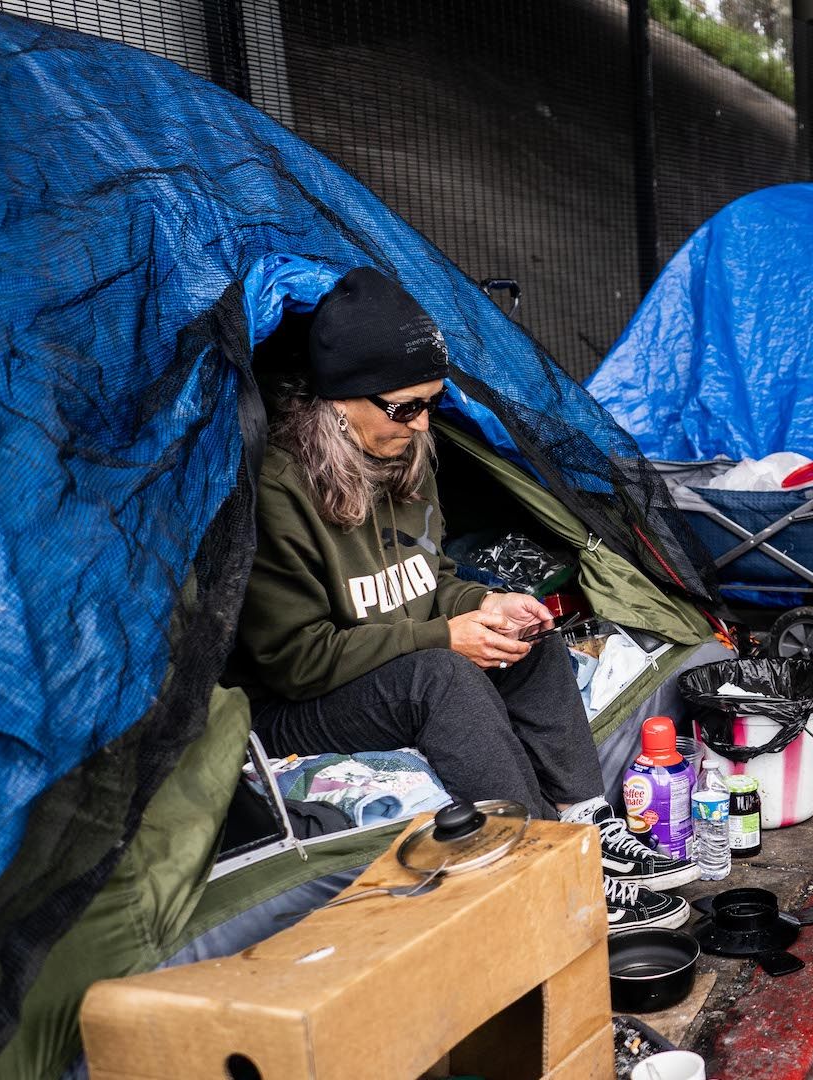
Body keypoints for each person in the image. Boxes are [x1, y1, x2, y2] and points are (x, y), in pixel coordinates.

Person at [233, 267, 691, 931]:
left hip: (383, 667)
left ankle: (586, 828)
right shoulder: (279, 489)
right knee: (442, 679)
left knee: (526, 643)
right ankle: (548, 873)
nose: (423, 424)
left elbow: (430, 580)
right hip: (296, 706)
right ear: (341, 401)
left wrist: (484, 602)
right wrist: (445, 636)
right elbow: (295, 661)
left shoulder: (404, 454)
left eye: (432, 404)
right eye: (405, 407)